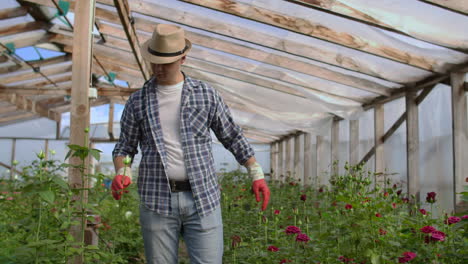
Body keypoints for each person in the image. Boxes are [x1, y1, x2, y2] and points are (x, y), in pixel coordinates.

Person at [111, 24, 270, 264]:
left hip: (203, 198)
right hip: (157, 199)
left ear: (183, 58)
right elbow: (125, 148)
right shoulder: (137, 102)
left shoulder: (206, 95)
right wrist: (122, 170)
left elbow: (231, 135)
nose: (158, 68)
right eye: (154, 62)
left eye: (165, 63)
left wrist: (256, 173)